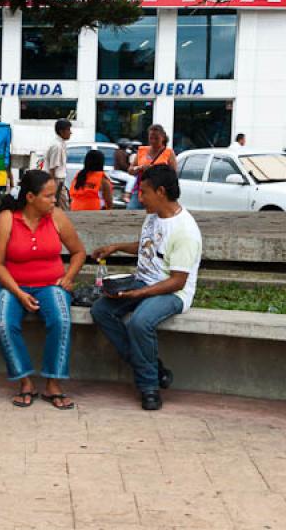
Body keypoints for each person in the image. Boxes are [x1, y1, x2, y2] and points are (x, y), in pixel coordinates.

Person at [90, 164, 202, 411]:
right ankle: (154, 368)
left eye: (144, 192)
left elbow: (178, 280)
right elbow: (147, 245)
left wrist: (138, 294)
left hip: (173, 291)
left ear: (160, 192)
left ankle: (149, 387)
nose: (140, 198)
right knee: (101, 310)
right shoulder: (154, 216)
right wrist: (116, 247)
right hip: (144, 280)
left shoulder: (185, 230)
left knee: (140, 321)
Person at [0, 169, 86, 409]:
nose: (54, 200)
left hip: (50, 285)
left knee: (61, 320)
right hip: (13, 285)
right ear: (30, 197)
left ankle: (53, 383)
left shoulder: (57, 217)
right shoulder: (8, 219)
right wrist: (19, 293)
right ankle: (25, 382)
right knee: (4, 323)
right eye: (49, 196)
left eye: (55, 195)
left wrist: (69, 276)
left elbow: (78, 252)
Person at [126, 125, 177, 210]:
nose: (153, 141)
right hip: (141, 190)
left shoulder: (169, 153)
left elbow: (173, 174)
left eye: (156, 138)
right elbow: (130, 170)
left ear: (163, 138)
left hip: (158, 192)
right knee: (131, 212)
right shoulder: (142, 150)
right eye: (151, 138)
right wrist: (140, 168)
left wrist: (158, 171)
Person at [43, 119, 72, 208]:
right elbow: (52, 169)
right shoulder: (57, 146)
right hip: (56, 181)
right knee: (63, 207)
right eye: (68, 130)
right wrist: (52, 186)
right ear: (61, 131)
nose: (70, 132)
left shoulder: (61, 144)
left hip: (58, 181)